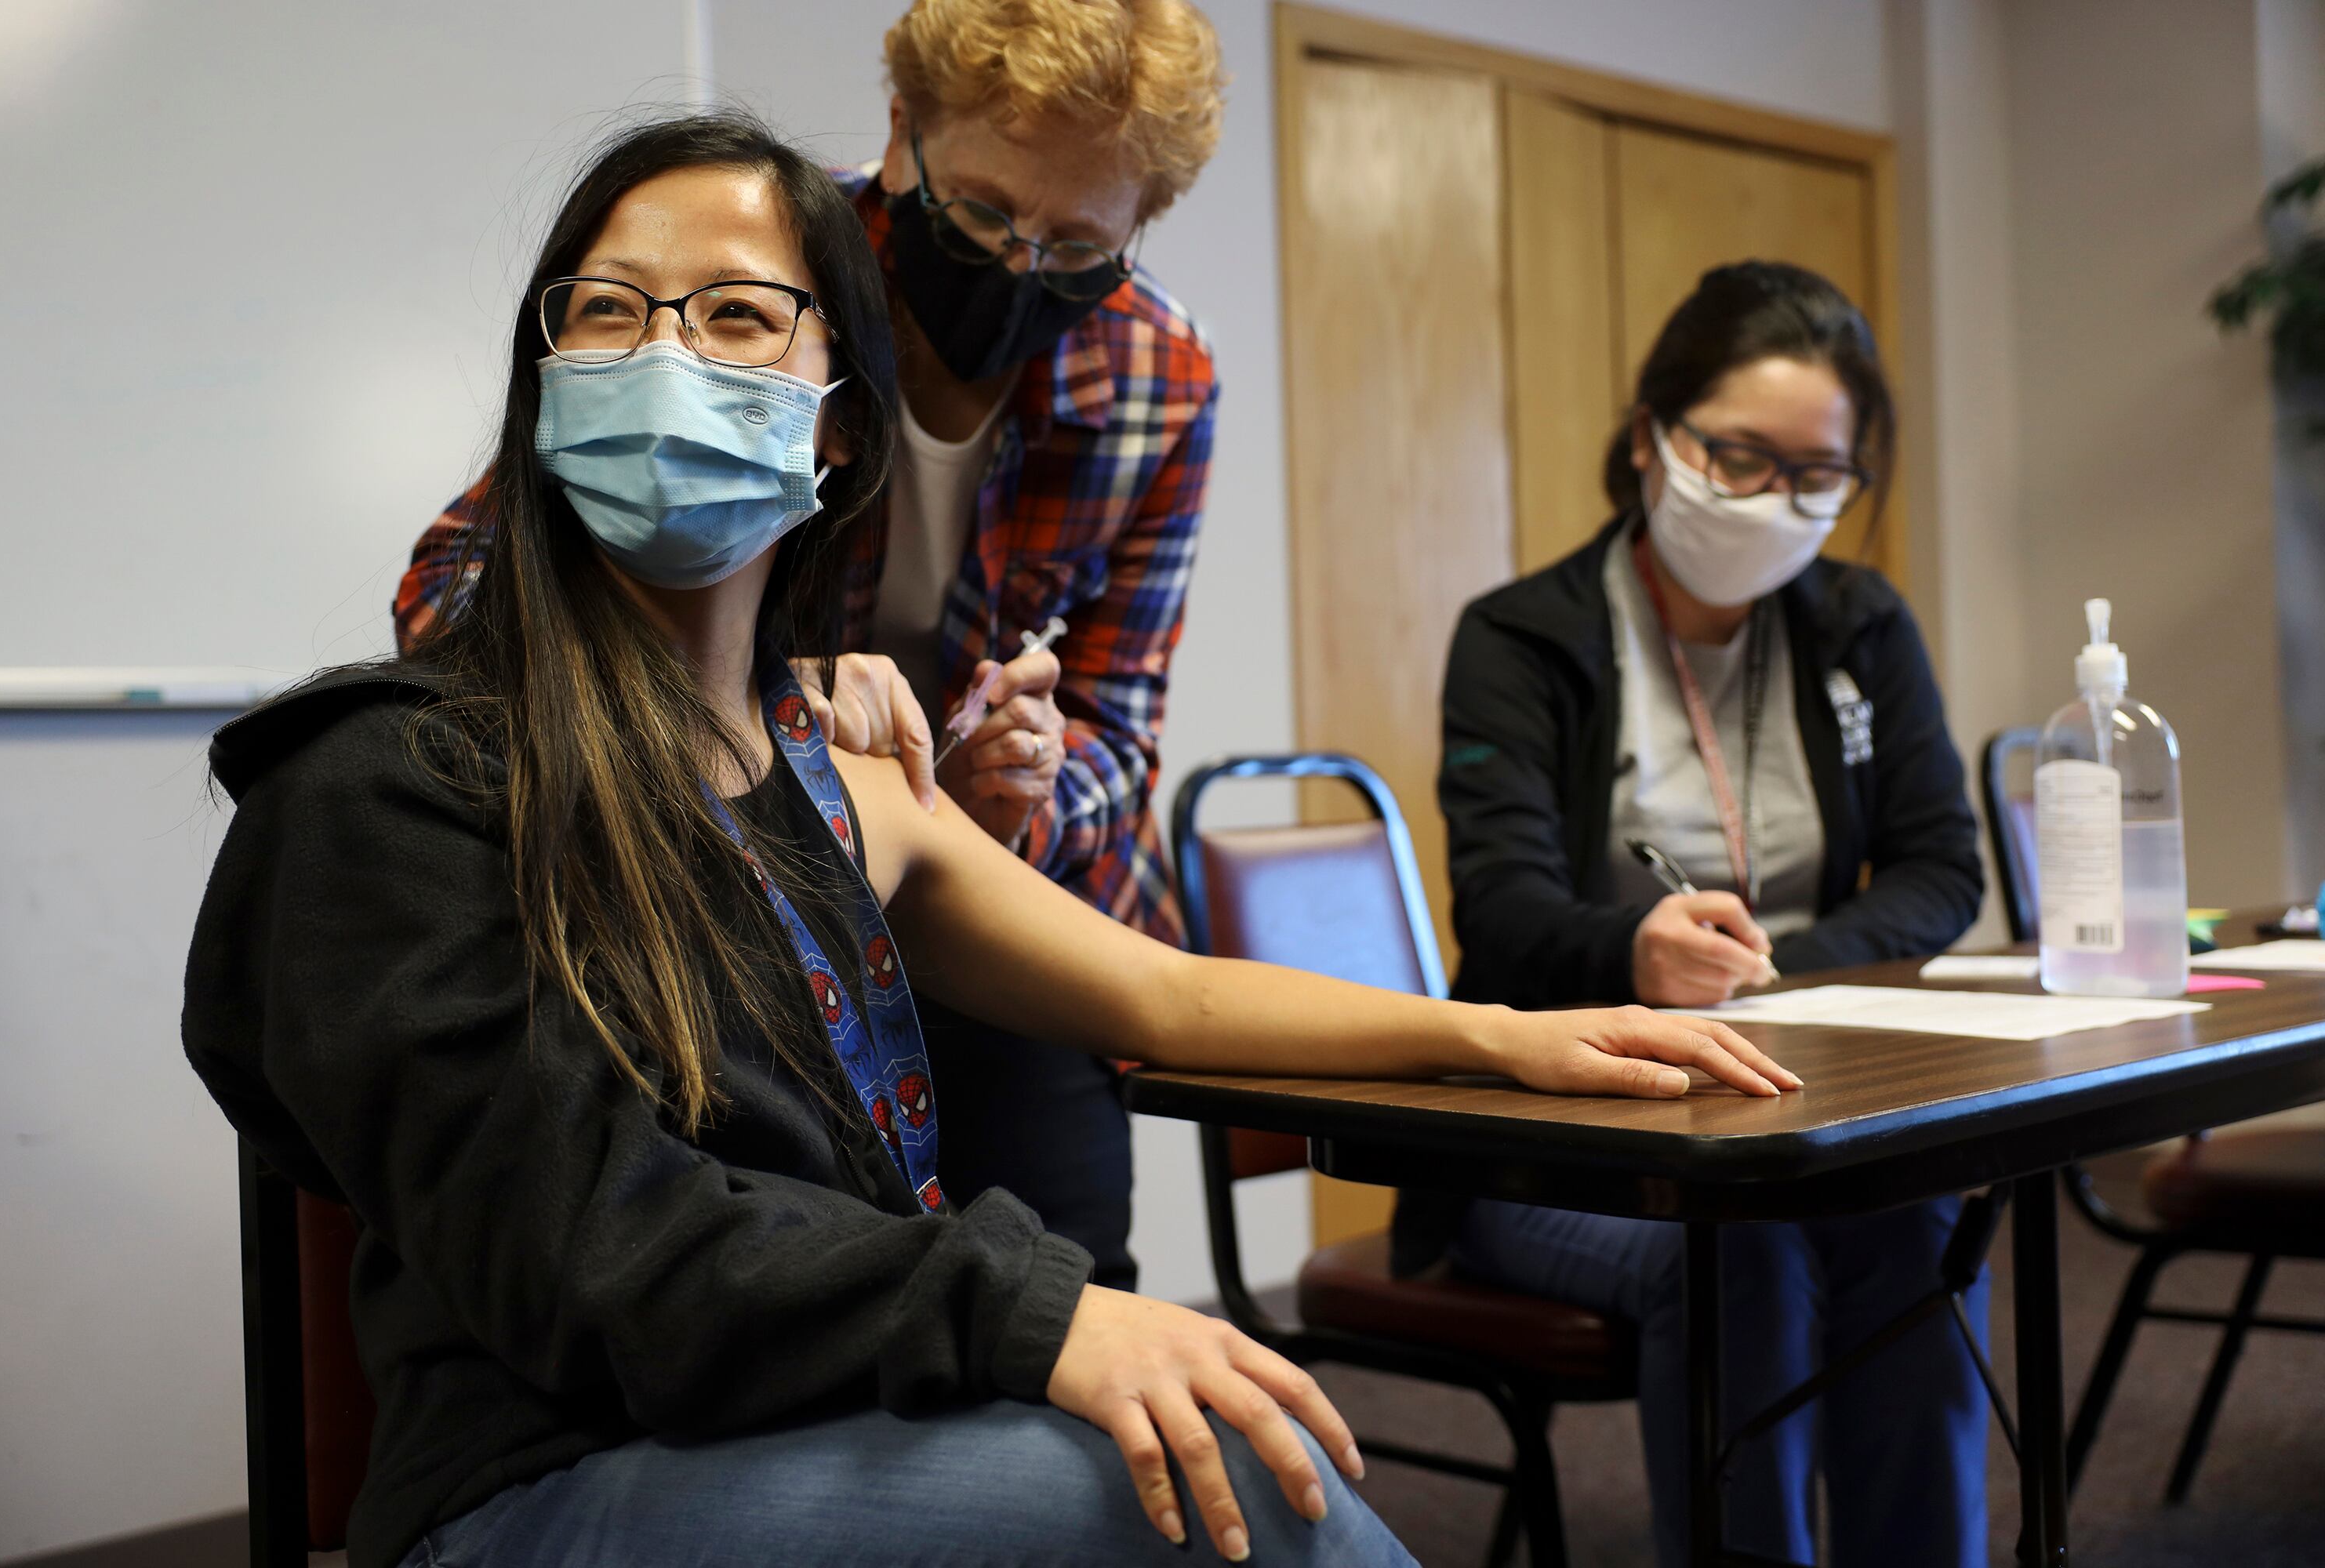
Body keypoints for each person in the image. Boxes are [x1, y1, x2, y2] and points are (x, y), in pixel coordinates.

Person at [187, 114, 1799, 1568]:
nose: (664, 356)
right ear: (543, 393)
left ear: (834, 427)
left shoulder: (840, 775)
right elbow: (599, 1254)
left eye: (739, 312)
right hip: (549, 1485)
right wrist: (1038, 1316)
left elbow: (1165, 997)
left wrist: (1506, 1036)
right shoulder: (397, 785)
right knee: (1174, 1491)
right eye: (607, 311)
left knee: (1201, 1454)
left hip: (812, 1425)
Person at [391, 0, 1228, 1292]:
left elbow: (1119, 720)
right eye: (986, 217)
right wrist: (766, 701)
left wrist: (1024, 794)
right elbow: (455, 587)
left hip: (996, 898)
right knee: (789, 1298)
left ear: (1138, 229)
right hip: (740, 899)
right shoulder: (765, 282)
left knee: (1077, 1294)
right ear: (905, 132)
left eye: (1073, 250)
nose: (1017, 270)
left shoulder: (1160, 377)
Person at [1394, 262, 1989, 1568]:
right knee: (1744, 1248)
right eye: (1740, 454)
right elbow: (1499, 913)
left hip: (1801, 1092)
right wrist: (1634, 954)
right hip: (1555, 1123)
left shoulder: (1858, 625)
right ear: (1654, 436)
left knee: (1922, 1216)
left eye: (1816, 474)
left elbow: (1946, 866)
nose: (1778, 499)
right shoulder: (1521, 639)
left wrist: (1766, 975)